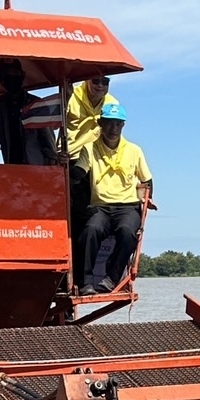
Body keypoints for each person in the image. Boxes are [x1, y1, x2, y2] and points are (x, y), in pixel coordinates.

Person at [74, 102, 152, 294]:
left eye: (117, 124)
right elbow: (78, 173)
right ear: (101, 123)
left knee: (127, 232)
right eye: (109, 123)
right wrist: (63, 165)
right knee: (90, 230)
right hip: (101, 206)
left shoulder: (134, 150)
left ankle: (112, 278)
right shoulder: (90, 149)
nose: (113, 129)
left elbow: (147, 180)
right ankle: (86, 283)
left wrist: (147, 203)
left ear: (123, 126)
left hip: (127, 206)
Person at [0, 59, 58, 165]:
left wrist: (52, 163)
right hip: (11, 166)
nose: (11, 77)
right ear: (1, 77)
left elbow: (48, 140)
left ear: (22, 75)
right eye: (7, 74)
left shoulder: (36, 103)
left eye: (15, 73)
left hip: (35, 167)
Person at [66, 75, 116, 158]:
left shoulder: (112, 104)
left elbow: (115, 133)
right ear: (86, 81)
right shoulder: (71, 96)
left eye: (105, 82)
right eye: (96, 81)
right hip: (71, 156)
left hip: (97, 157)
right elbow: (55, 125)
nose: (100, 85)